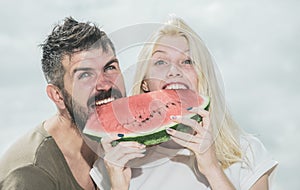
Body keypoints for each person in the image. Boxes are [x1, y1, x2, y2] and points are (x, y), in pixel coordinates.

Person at [91, 16, 278, 190]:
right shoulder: (114, 163)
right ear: (145, 83)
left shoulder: (247, 152)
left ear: (202, 77)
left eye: (187, 61)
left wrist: (212, 169)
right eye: (161, 62)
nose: (174, 71)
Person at [0, 17, 145, 190]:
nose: (105, 84)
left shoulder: (119, 145)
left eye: (110, 67)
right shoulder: (30, 174)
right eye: (85, 75)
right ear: (58, 96)